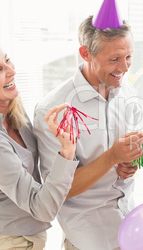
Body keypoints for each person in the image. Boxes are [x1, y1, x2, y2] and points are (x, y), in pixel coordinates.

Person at [33, 0, 143, 248]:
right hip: (89, 239)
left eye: (129, 57)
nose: (126, 68)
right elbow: (58, 191)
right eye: (115, 59)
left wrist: (130, 166)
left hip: (132, 225)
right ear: (85, 54)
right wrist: (112, 157)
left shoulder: (126, 91)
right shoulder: (53, 110)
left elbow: (130, 161)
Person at [0, 46, 79, 249]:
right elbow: (42, 208)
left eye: (7, 60)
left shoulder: (12, 107)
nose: (11, 71)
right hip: (11, 240)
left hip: (30, 236)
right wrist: (67, 151)